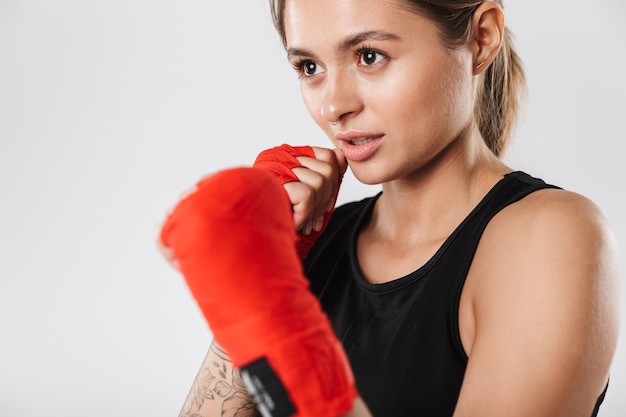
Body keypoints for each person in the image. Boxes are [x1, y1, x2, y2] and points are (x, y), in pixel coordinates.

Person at [159, 0, 621, 416]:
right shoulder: (314, 246)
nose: (334, 105)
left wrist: (270, 312)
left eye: (369, 56)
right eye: (309, 66)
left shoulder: (550, 238)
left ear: (481, 39)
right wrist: (251, 280)